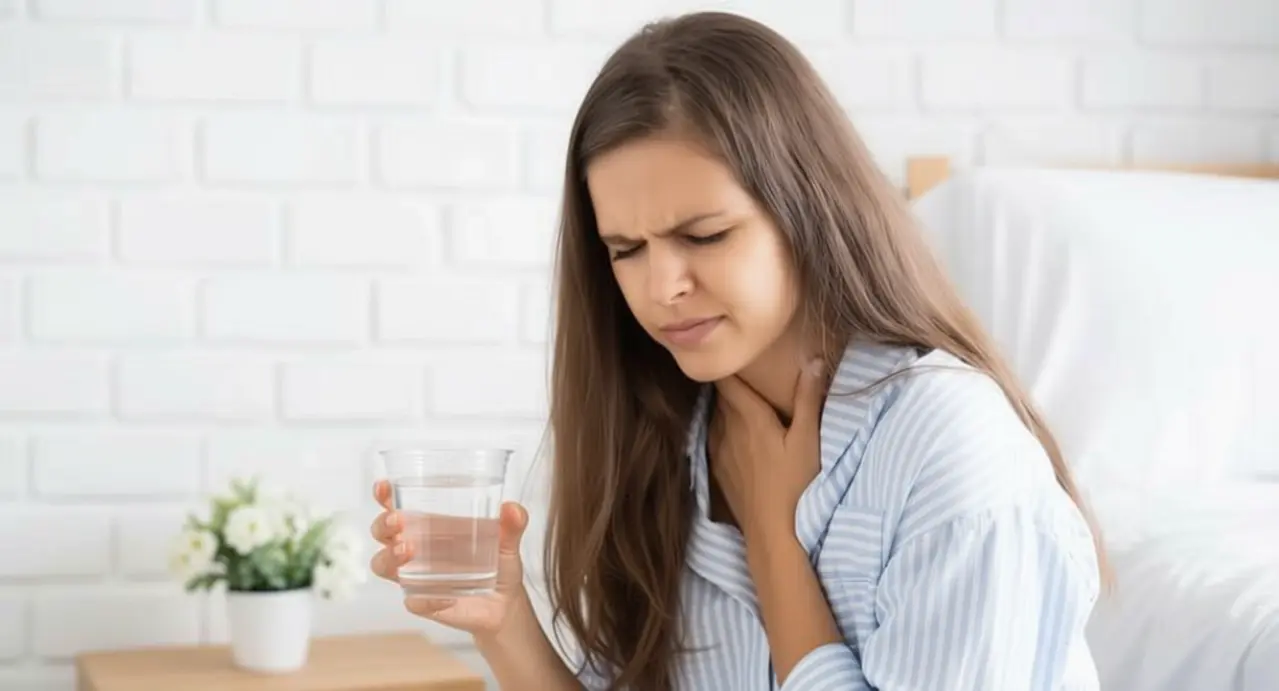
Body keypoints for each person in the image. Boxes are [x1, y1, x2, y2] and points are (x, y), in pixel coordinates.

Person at [369, 10, 1105, 691]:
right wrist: (505, 621)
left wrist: (773, 540)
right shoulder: (668, 429)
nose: (662, 287)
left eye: (704, 235)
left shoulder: (946, 446)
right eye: (625, 250)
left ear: (807, 208)